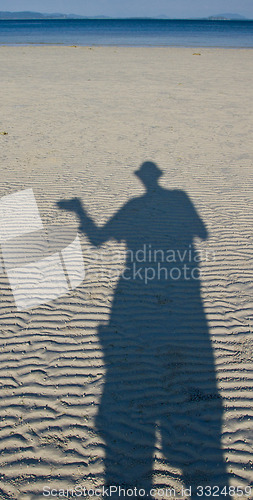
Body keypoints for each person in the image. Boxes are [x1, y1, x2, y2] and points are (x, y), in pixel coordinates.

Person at [58, 162, 229, 497]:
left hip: (137, 286)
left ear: (141, 179)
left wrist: (80, 210)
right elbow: (203, 233)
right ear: (159, 178)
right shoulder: (179, 197)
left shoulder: (133, 206)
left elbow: (96, 239)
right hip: (183, 287)